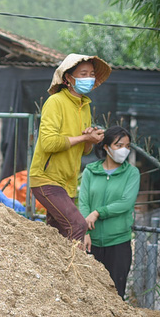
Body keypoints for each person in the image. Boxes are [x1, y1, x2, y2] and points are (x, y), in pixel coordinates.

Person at [29, 54, 111, 241]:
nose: (89, 78)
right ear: (68, 78)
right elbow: (49, 142)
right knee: (78, 225)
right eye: (83, 73)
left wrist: (90, 139)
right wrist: (83, 137)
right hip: (46, 179)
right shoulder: (55, 102)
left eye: (91, 74)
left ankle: (54, 269)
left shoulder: (85, 106)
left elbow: (84, 150)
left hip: (68, 183)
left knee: (58, 236)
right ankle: (74, 268)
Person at [79, 125, 140, 299]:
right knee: (88, 295)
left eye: (127, 146)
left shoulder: (131, 173)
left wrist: (98, 212)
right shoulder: (91, 171)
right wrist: (85, 231)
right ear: (106, 147)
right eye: (119, 145)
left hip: (118, 243)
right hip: (91, 243)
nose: (124, 150)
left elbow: (125, 203)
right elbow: (83, 203)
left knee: (115, 295)